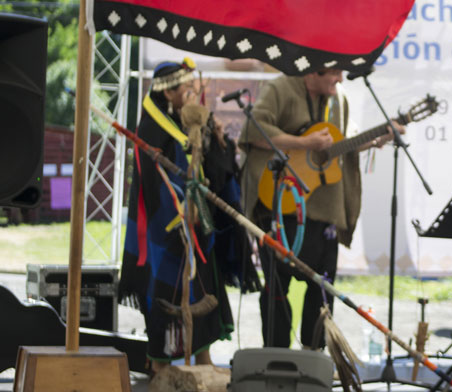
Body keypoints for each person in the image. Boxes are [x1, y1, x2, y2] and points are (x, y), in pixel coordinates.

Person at [238, 67, 400, 349]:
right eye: (335, 73)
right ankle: (276, 357)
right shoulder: (281, 89)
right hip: (279, 206)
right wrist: (304, 143)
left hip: (324, 211)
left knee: (322, 291)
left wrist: (376, 139)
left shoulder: (339, 99)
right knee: (277, 288)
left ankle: (313, 358)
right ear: (313, 71)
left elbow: (341, 144)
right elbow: (254, 131)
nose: (340, 79)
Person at [119, 58, 258, 374]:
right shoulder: (150, 129)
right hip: (166, 226)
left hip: (196, 223)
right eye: (187, 89)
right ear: (169, 94)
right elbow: (155, 182)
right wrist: (181, 209)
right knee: (164, 290)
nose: (193, 94)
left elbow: (206, 168)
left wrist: (213, 137)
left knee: (205, 286)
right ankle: (159, 362)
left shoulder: (187, 123)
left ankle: (202, 360)